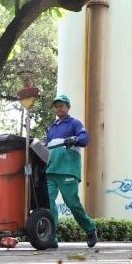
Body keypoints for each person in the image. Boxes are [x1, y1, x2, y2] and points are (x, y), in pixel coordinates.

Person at [45, 94, 98, 248]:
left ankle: (90, 229)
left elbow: (84, 139)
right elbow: (47, 147)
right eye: (56, 106)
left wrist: (74, 139)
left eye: (61, 105)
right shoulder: (52, 128)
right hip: (51, 170)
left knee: (72, 203)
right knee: (48, 203)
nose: (59, 108)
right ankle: (51, 237)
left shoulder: (75, 123)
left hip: (68, 170)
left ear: (68, 107)